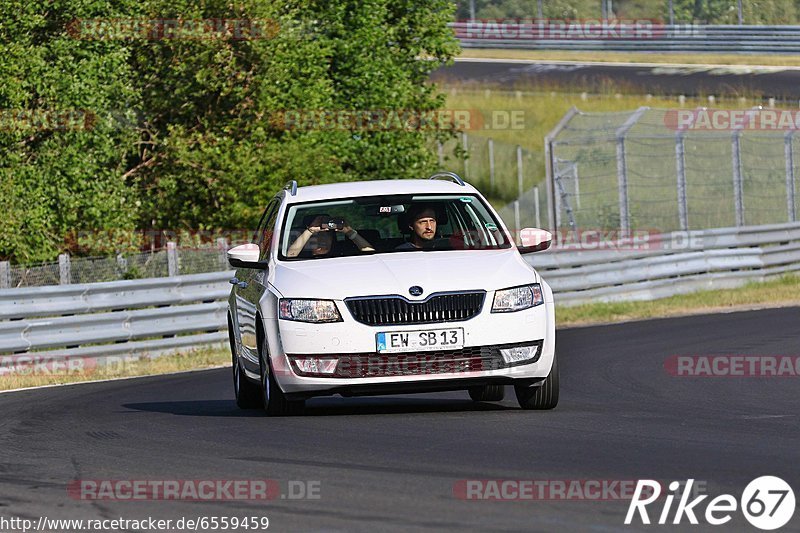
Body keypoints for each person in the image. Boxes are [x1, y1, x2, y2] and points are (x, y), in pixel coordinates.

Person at [286, 215, 374, 258]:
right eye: (317, 236)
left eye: (327, 235)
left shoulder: (343, 253)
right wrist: (310, 231)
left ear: (333, 238)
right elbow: (290, 255)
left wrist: (349, 232)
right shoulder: (299, 258)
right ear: (307, 240)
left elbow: (370, 252)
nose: (322, 240)